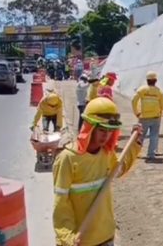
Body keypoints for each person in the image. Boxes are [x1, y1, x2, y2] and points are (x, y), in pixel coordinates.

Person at [53, 97, 143, 246]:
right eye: (101, 130)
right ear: (89, 127)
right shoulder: (67, 159)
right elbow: (61, 205)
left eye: (110, 131)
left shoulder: (106, 154)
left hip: (106, 236)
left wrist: (136, 144)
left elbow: (119, 170)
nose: (106, 136)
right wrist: (67, 238)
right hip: (79, 240)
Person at [131, 71, 163, 160]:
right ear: (155, 80)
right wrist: (161, 112)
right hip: (156, 117)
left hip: (144, 117)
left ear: (147, 80)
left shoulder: (142, 89)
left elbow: (134, 100)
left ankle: (135, 153)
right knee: (154, 136)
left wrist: (137, 112)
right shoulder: (159, 92)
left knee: (140, 136)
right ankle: (151, 154)